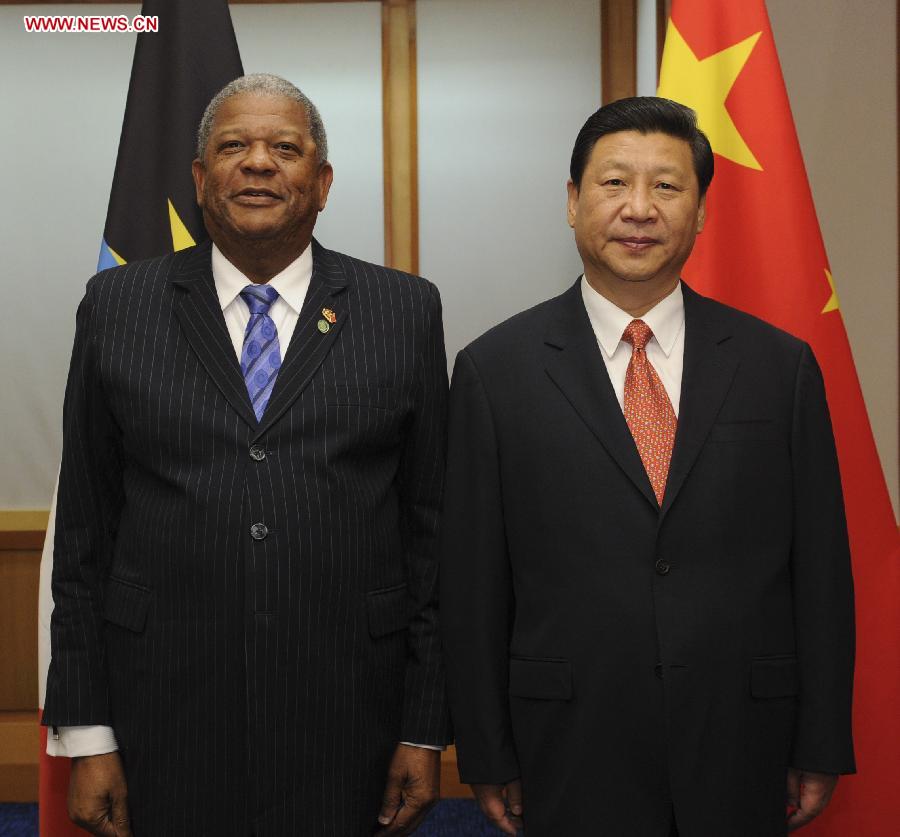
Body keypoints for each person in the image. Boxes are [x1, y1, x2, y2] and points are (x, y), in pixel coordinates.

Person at [43, 73, 451, 837]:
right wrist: (88, 732)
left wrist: (424, 724)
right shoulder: (117, 307)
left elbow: (431, 531)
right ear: (200, 180)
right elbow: (84, 538)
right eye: (233, 146)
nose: (258, 162)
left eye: (284, 148)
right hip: (162, 708)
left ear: (322, 182)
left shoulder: (403, 310)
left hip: (348, 709)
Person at [440, 97, 855, 837]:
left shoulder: (778, 367)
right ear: (572, 202)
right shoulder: (493, 372)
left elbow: (821, 570)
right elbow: (474, 583)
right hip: (565, 746)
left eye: (667, 186)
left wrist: (819, 738)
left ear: (701, 212)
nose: (639, 208)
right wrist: (486, 749)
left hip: (742, 742)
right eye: (613, 184)